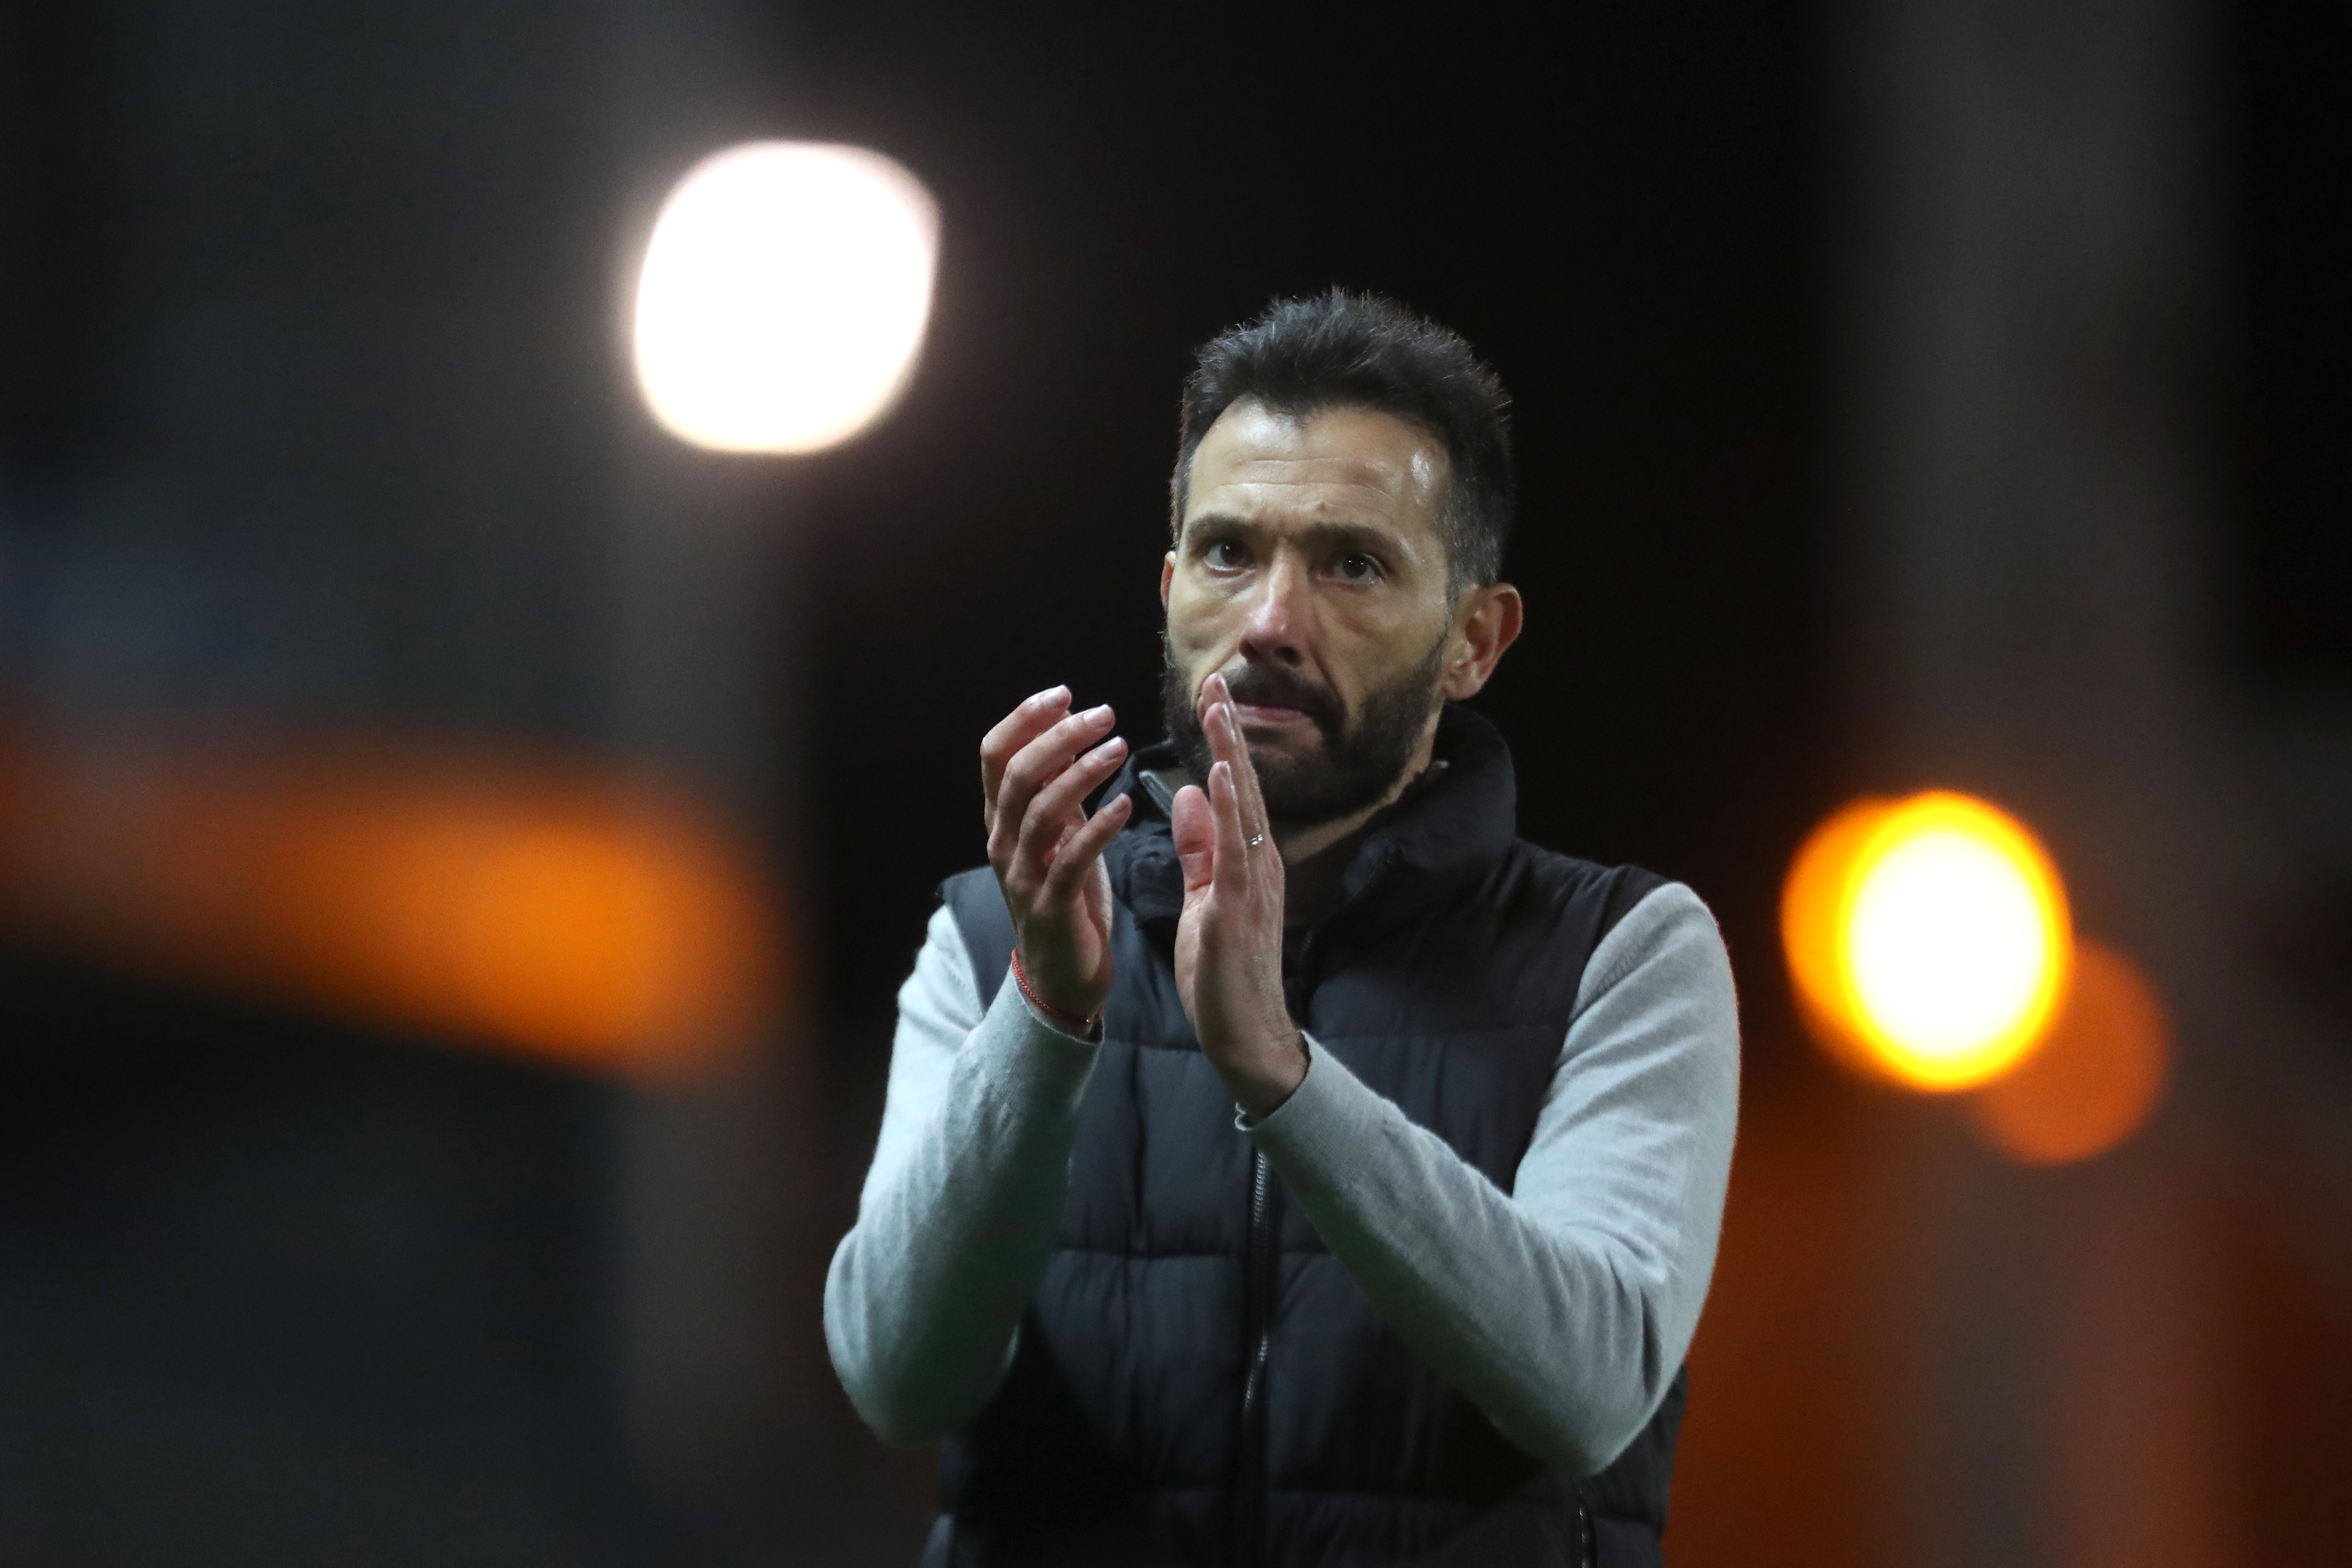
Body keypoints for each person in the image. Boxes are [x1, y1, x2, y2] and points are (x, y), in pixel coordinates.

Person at [825, 291, 1740, 1568]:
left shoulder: (1620, 952)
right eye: (1226, 553)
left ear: (1473, 639)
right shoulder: (993, 941)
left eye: (1351, 564)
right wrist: (1044, 1018)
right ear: (1168, 589)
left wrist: (1281, 1075)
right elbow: (894, 1379)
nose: (1267, 621)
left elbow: (1586, 1392)